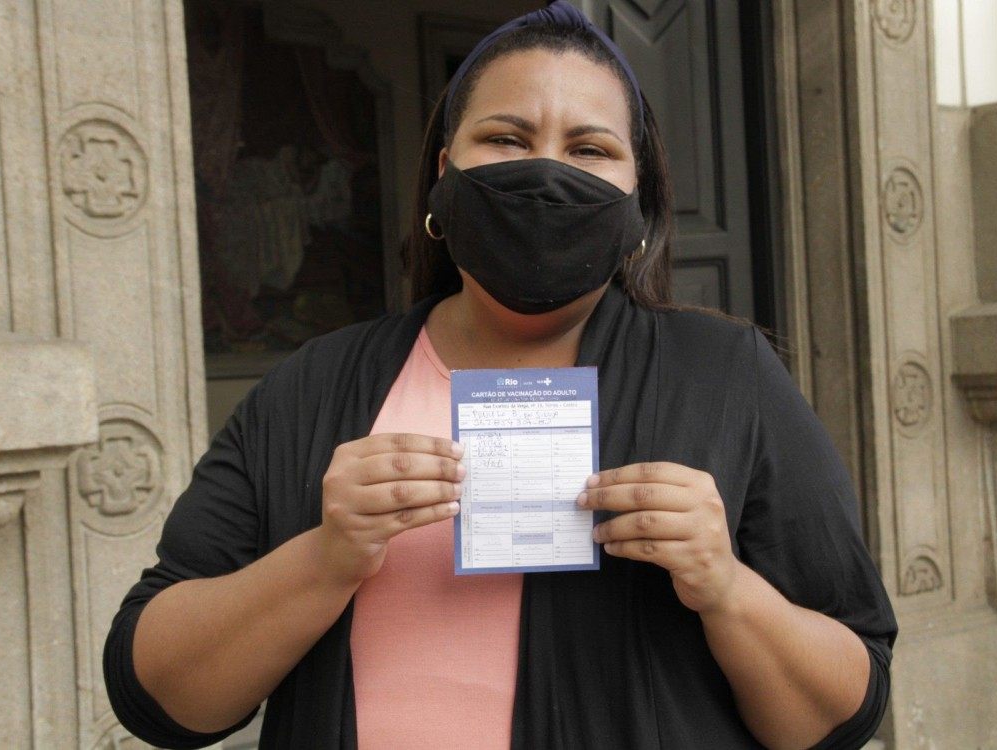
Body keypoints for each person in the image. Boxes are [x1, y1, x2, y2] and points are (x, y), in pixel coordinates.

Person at [104, 3, 897, 748]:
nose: (545, 173)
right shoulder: (314, 385)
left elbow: (840, 711)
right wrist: (325, 558)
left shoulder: (727, 379)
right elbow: (160, 695)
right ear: (444, 176)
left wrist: (726, 587)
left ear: (637, 201)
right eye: (507, 139)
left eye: (589, 149)